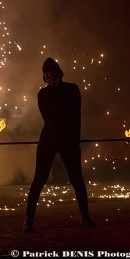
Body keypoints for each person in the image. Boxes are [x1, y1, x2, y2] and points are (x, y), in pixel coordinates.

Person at [23, 57, 95, 232]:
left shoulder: (72, 89)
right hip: (49, 140)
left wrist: (74, 139)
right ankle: (28, 220)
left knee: (77, 179)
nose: (51, 79)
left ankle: (85, 218)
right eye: (47, 77)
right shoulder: (43, 94)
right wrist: (60, 138)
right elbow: (48, 120)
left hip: (69, 140)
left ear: (60, 74)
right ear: (44, 78)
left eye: (54, 76)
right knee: (39, 180)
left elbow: (76, 115)